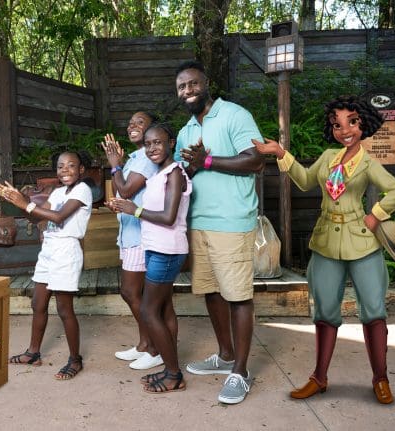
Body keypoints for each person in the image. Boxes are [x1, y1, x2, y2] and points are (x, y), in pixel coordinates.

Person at [253, 95, 395, 404]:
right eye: (337, 124)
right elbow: (304, 180)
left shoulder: (367, 162)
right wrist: (281, 153)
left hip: (362, 242)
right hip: (325, 242)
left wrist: (374, 215)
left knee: (373, 311)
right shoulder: (327, 157)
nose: (345, 130)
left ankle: (380, 378)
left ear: (363, 123)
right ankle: (319, 378)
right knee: (324, 312)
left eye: (352, 122)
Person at [173, 60, 264, 405]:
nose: (188, 91)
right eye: (182, 87)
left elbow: (256, 160)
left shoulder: (234, 115)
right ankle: (225, 354)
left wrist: (208, 161)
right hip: (200, 221)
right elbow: (187, 175)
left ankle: (240, 372)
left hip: (231, 221)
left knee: (238, 295)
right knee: (211, 291)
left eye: (193, 84)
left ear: (206, 83)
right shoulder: (184, 131)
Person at [0, 151, 93, 380]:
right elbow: (37, 219)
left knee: (64, 309)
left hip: (66, 250)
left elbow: (58, 217)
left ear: (81, 169)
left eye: (71, 166)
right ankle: (33, 353)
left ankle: (75, 360)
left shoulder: (82, 190)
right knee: (38, 303)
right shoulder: (57, 192)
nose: (65, 170)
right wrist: (15, 202)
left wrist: (25, 204)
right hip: (48, 249)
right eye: (60, 166)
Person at [108, 122, 192, 394]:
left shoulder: (175, 172)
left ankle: (173, 374)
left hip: (168, 250)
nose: (152, 148)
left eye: (158, 142)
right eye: (148, 144)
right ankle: (171, 370)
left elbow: (169, 217)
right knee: (162, 308)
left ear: (171, 143)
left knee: (148, 310)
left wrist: (135, 210)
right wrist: (125, 208)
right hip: (156, 248)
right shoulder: (160, 173)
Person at [101, 111, 164, 370]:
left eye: (140, 122)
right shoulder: (134, 158)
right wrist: (117, 203)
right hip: (128, 233)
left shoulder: (147, 158)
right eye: (130, 123)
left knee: (131, 292)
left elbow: (126, 189)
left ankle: (156, 348)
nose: (132, 126)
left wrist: (115, 164)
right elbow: (124, 193)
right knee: (133, 293)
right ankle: (143, 345)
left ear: (153, 129)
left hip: (141, 234)